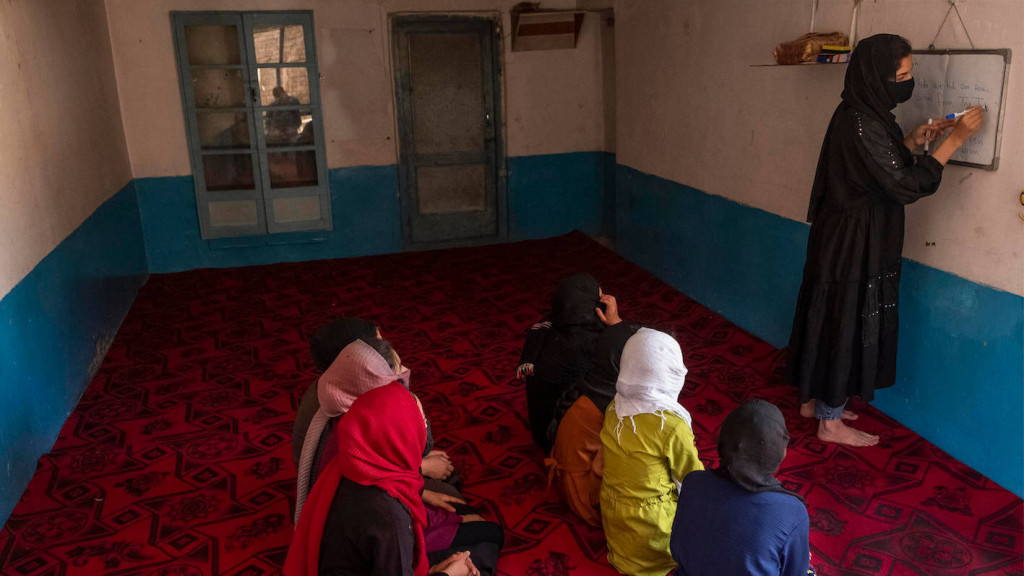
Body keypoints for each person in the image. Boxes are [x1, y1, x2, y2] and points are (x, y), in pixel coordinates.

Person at [786, 34, 983, 447]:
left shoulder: (860, 113)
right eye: (902, 76)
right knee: (844, 319)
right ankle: (830, 422)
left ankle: (816, 399)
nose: (906, 83)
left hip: (840, 235)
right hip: (854, 241)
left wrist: (910, 142)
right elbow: (904, 185)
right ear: (876, 77)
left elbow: (873, 168)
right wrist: (953, 142)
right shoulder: (863, 122)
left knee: (830, 316)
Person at [284, 382, 491, 576]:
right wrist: (448, 573)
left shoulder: (353, 461)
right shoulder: (388, 515)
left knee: (485, 534)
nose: (425, 426)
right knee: (482, 556)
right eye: (420, 422)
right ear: (401, 435)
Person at [600, 328, 704, 576]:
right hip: (652, 528)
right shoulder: (670, 425)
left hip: (616, 521)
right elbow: (692, 480)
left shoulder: (615, 407)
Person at [671, 400, 814, 576]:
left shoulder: (693, 482)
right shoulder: (791, 511)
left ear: (723, 442)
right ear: (780, 452)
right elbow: (795, 572)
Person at [547, 318, 641, 527]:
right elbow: (606, 466)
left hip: (567, 481)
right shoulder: (612, 406)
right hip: (585, 499)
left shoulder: (594, 383)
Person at [518, 273, 620, 449]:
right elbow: (636, 351)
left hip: (544, 436)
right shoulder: (600, 339)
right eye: (599, 296)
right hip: (579, 442)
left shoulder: (545, 330)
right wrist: (616, 323)